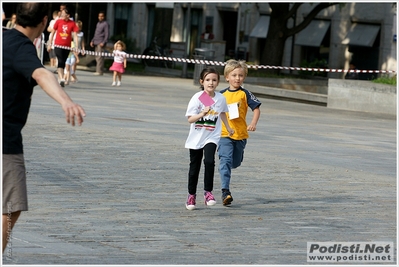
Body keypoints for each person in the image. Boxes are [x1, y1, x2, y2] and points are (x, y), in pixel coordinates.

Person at [2, 2, 86, 252]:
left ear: (16, 16)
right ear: (44, 21)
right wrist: (66, 101)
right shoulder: (20, 47)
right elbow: (43, 74)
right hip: (4, 140)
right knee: (10, 206)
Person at [184, 67, 234, 210]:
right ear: (202, 81)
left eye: (214, 80)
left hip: (212, 136)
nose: (211, 83)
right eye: (207, 80)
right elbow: (190, 120)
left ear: (218, 82)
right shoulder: (197, 98)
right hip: (196, 137)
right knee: (194, 166)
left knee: (209, 160)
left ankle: (208, 192)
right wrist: (201, 113)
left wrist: (228, 127)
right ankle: (191, 195)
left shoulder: (220, 98)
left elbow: (223, 113)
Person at [218, 59, 261, 206]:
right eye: (234, 75)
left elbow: (256, 108)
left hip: (241, 135)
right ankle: (225, 191)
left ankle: (230, 163)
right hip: (224, 134)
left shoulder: (245, 93)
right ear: (227, 77)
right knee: (225, 160)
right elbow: (210, 106)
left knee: (235, 162)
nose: (237, 78)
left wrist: (253, 123)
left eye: (240, 75)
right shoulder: (221, 94)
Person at [47, 5, 78, 87]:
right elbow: (53, 32)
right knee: (60, 60)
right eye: (61, 14)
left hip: (67, 46)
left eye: (64, 14)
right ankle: (61, 78)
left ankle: (60, 77)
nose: (62, 15)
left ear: (68, 15)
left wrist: (76, 46)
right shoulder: (58, 22)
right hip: (58, 45)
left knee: (63, 62)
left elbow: (75, 35)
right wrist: (50, 44)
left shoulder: (72, 24)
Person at [90, 11, 109, 76]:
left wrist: (104, 42)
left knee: (100, 57)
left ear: (104, 17)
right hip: (96, 41)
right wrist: (92, 40)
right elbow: (96, 33)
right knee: (97, 57)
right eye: (99, 16)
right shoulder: (98, 23)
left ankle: (100, 71)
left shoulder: (105, 24)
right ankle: (97, 70)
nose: (100, 17)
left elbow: (107, 34)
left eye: (102, 16)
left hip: (101, 42)